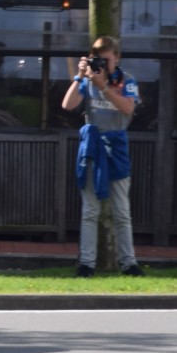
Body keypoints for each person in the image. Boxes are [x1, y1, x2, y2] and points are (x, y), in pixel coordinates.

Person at [61, 35, 144, 278]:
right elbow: (67, 104)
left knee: (121, 211)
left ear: (117, 58)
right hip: (93, 149)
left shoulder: (127, 80)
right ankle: (86, 264)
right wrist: (80, 76)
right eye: (99, 60)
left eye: (107, 60)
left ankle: (128, 263)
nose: (103, 66)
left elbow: (128, 108)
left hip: (116, 147)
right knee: (90, 211)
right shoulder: (87, 81)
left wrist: (103, 87)